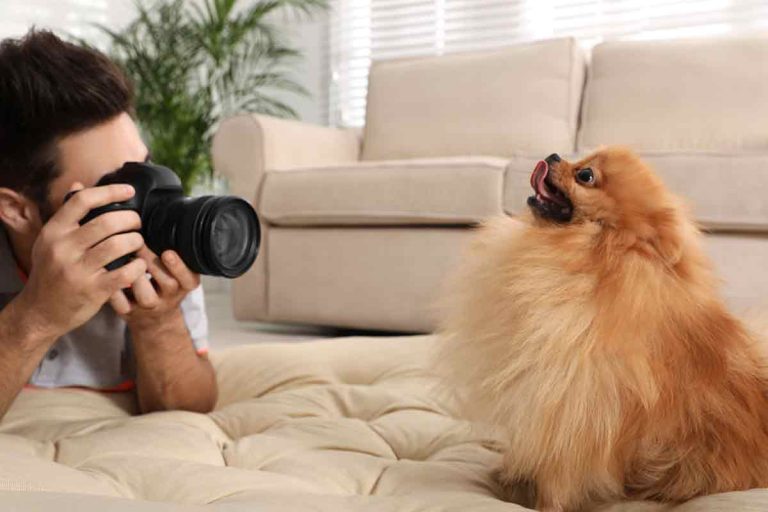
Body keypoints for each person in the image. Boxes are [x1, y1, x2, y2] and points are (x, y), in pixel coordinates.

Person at [0, 30, 217, 418]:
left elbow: (191, 409)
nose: (150, 195)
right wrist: (37, 316)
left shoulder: (157, 229)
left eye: (145, 167)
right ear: (15, 210)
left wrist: (159, 322)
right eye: (118, 186)